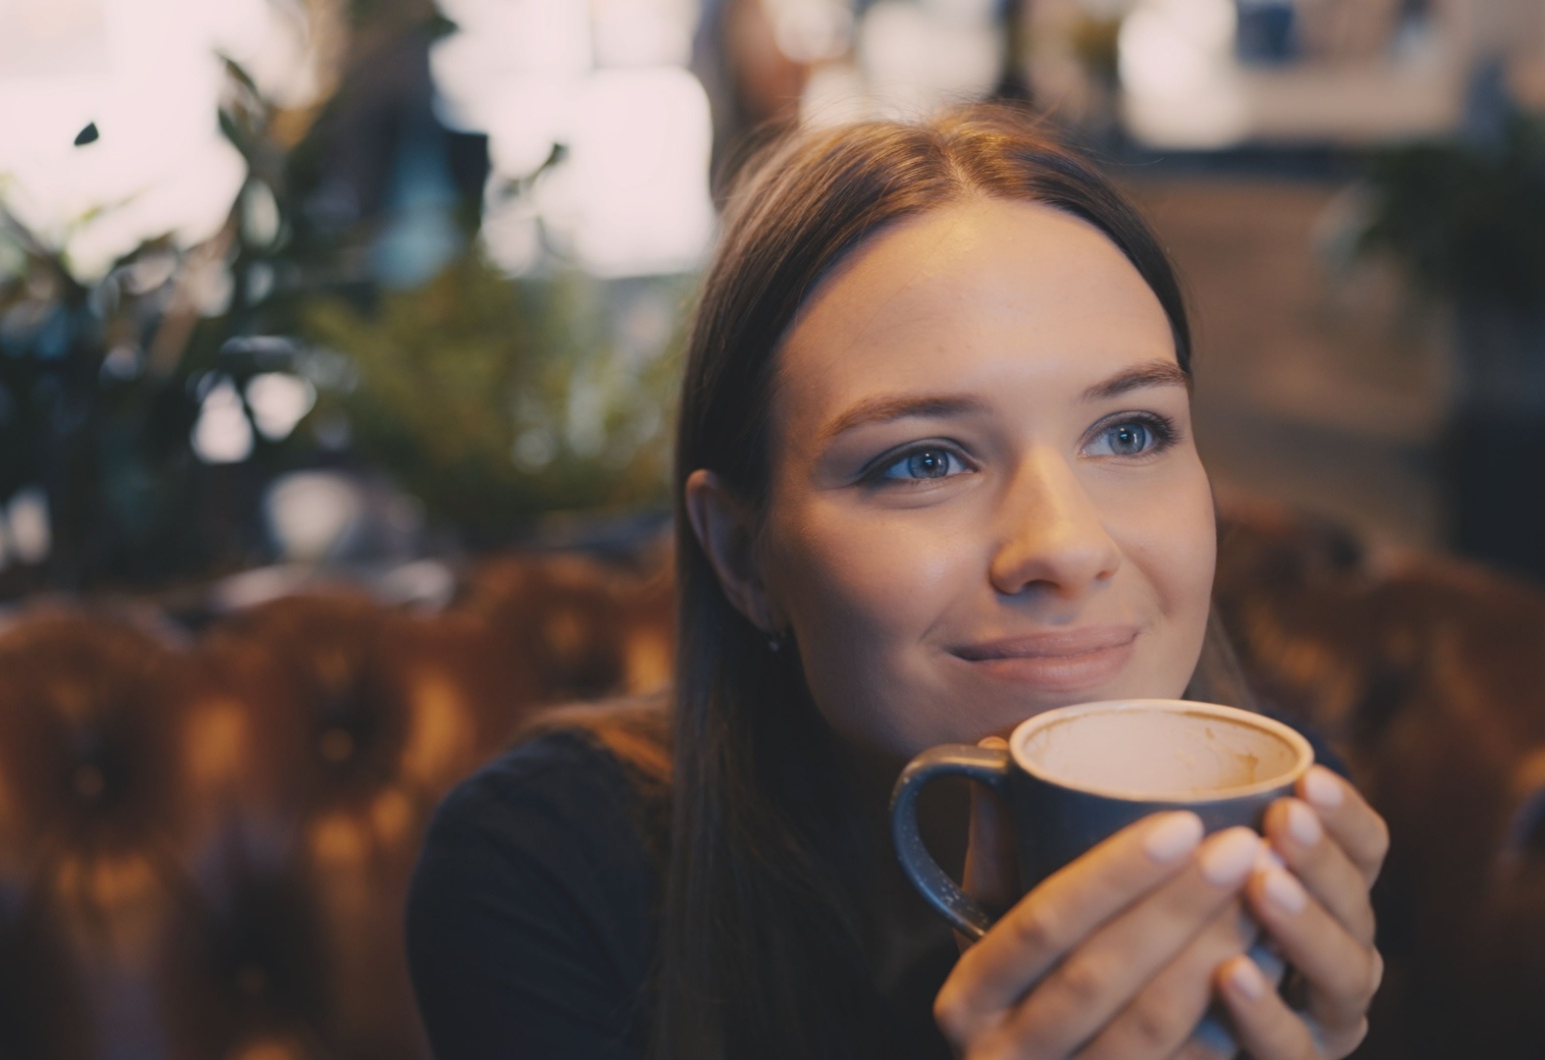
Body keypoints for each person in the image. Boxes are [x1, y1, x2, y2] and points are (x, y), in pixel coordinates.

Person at [405, 105, 1388, 1059]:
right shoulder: (548, 873)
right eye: (922, 460)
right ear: (744, 557)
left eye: (1129, 431)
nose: (1065, 544)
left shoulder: (1296, 829)